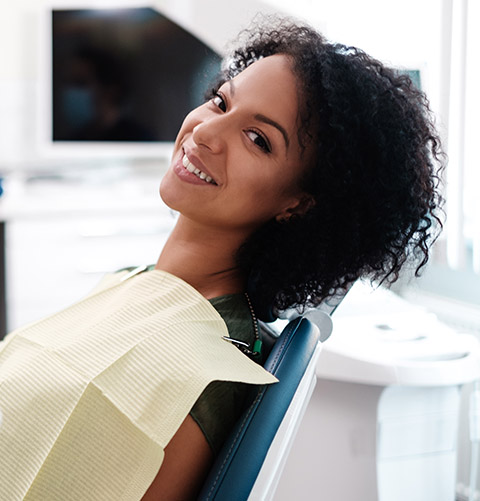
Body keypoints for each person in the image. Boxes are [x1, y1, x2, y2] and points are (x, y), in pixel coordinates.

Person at [0, 16, 443, 501]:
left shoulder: (204, 376)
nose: (207, 132)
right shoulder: (137, 281)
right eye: (221, 101)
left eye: (259, 139)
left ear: (298, 203)